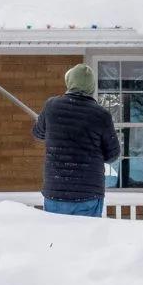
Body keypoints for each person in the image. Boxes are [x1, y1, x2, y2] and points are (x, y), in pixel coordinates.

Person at [31, 63, 120, 217]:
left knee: (57, 240)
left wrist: (45, 121)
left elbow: (38, 133)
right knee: (86, 240)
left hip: (56, 192)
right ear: (91, 87)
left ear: (70, 82)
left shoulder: (52, 106)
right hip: (88, 194)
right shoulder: (101, 115)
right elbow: (113, 154)